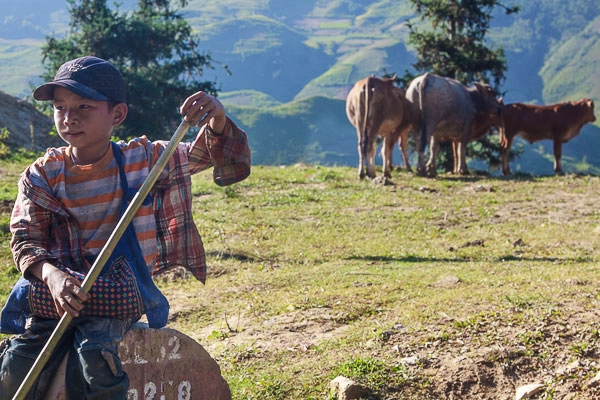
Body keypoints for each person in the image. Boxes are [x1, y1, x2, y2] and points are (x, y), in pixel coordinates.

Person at [0, 55, 250, 399]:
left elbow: (208, 155)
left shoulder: (144, 161)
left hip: (115, 292)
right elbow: (26, 240)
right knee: (16, 367)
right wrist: (52, 276)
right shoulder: (42, 174)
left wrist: (218, 118)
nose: (69, 118)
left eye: (83, 106)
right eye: (60, 107)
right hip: (57, 293)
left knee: (94, 361)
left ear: (117, 115)